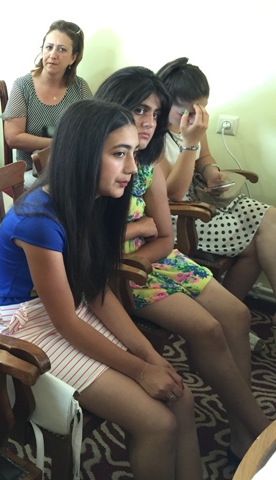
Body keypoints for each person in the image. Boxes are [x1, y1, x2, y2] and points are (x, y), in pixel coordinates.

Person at [0, 99, 202, 479]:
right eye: (120, 154)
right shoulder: (37, 219)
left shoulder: (96, 200)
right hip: (26, 327)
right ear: (83, 154)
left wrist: (149, 357)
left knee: (180, 397)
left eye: (133, 153)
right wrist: (141, 370)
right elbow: (66, 322)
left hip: (68, 307)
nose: (132, 168)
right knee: (157, 422)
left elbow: (97, 292)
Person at [95, 66, 271, 463]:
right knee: (208, 329)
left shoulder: (147, 159)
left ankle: (242, 433)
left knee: (238, 314)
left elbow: (164, 234)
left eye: (155, 113)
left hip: (154, 258)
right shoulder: (99, 158)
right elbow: (94, 244)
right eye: (139, 110)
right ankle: (261, 430)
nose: (148, 122)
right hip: (120, 274)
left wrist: (141, 238)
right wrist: (137, 235)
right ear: (113, 107)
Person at [157, 59, 276, 327]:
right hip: (176, 213)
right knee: (254, 244)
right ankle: (227, 317)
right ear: (164, 103)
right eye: (185, 112)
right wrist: (189, 143)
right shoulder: (153, 135)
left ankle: (230, 315)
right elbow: (172, 193)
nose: (194, 118)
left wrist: (212, 174)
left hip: (200, 196)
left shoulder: (194, 124)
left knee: (271, 217)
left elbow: (205, 158)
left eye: (201, 109)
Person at [2, 20, 92, 182]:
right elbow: (12, 137)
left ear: (73, 57)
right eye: (49, 47)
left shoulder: (80, 88)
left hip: (70, 167)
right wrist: (57, 143)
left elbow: (91, 131)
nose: (53, 55)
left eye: (62, 49)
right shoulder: (23, 86)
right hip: (31, 172)